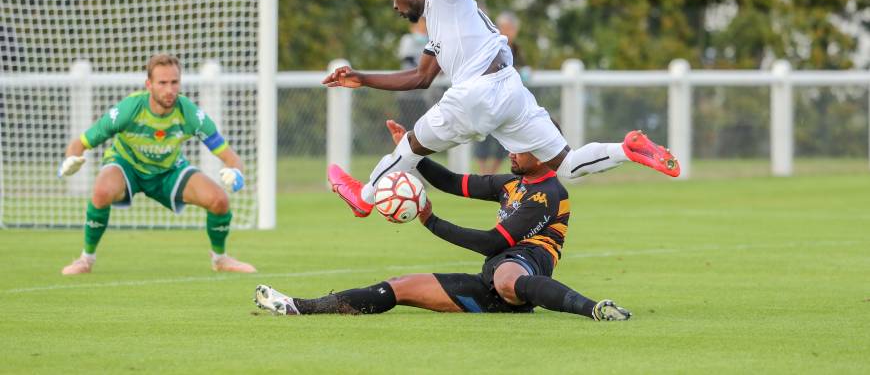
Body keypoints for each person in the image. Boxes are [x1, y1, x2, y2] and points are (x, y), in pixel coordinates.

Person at [323, 0, 679, 219]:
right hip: (509, 91)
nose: (395, 6)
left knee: (411, 146)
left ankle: (365, 196)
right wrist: (362, 78)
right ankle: (627, 149)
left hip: (478, 91)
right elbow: (419, 77)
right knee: (566, 165)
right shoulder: (441, 28)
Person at [253, 119, 631, 320]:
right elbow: (452, 181)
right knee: (400, 286)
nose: (511, 150)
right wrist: (410, 154)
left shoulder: (549, 193)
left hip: (525, 265)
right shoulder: (512, 184)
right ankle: (300, 306)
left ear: (546, 150)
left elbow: (491, 243)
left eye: (522, 145)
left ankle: (594, 309)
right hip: (494, 284)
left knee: (507, 276)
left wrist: (430, 221)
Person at [57, 53, 256, 275]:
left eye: (174, 82)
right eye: (162, 83)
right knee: (102, 191)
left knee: (220, 200)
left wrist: (236, 173)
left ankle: (220, 260)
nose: (170, 90)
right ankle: (86, 260)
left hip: (169, 171)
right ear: (149, 85)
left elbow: (231, 157)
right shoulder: (128, 109)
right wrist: (70, 161)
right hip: (127, 165)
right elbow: (79, 143)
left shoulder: (190, 114)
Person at [474, 10, 527, 174]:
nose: (508, 31)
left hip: (508, 102)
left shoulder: (517, 49)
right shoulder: (490, 45)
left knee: (503, 141)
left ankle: (492, 173)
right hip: (488, 100)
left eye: (511, 28)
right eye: (504, 27)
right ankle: (484, 174)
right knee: (482, 137)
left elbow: (523, 67)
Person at [396, 18, 431, 128]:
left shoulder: (431, 42)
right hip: (409, 94)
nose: (423, 29)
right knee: (409, 124)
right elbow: (409, 62)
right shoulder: (407, 40)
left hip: (426, 94)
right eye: (420, 26)